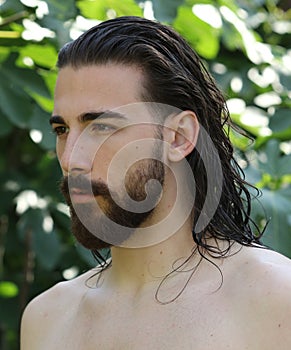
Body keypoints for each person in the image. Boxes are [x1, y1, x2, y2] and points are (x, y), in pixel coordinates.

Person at [21, 16, 291, 349]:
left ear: (178, 137)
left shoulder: (276, 300)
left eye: (102, 127)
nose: (71, 159)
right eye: (62, 131)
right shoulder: (47, 319)